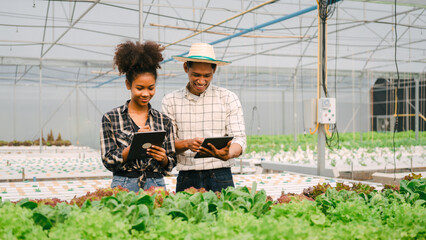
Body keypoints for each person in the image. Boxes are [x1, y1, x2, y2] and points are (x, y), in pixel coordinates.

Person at [162, 42, 246, 192]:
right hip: (187, 177)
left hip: (221, 175)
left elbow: (239, 139)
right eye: (196, 75)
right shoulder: (170, 100)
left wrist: (228, 153)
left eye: (207, 76)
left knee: (224, 215)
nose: (201, 81)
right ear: (186, 68)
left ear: (214, 71)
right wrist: (187, 143)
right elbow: (167, 144)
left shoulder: (228, 98)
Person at [100, 41, 176, 192]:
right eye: (140, 88)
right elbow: (108, 160)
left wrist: (163, 158)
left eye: (151, 88)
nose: (146, 94)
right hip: (124, 183)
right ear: (128, 84)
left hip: (156, 184)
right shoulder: (111, 118)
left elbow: (171, 161)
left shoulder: (164, 121)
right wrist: (133, 147)